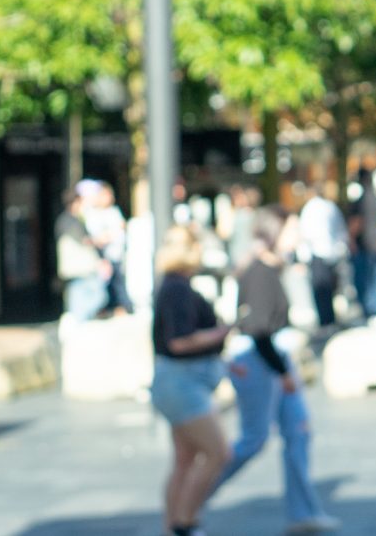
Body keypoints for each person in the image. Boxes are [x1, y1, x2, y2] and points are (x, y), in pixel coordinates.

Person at [212, 206, 340, 534]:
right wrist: (283, 372)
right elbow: (256, 330)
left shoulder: (274, 268)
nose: (298, 236)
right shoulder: (258, 272)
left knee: (298, 431)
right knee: (254, 439)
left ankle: (303, 512)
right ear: (275, 232)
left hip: (274, 358)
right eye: (292, 229)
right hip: (261, 360)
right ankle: (197, 492)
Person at [150, 224, 232, 536]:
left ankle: (174, 524)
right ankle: (185, 521)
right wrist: (219, 334)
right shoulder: (177, 289)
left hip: (178, 381)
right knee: (218, 452)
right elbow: (179, 341)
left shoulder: (172, 286)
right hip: (181, 383)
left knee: (185, 459)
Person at [55, 186, 110, 325]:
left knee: (84, 300)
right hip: (79, 268)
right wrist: (100, 240)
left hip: (81, 268)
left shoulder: (73, 219)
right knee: (92, 299)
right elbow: (83, 241)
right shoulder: (69, 221)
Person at [299, 182, 348, 331]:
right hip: (331, 253)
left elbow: (305, 233)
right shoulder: (330, 207)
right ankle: (330, 320)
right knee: (330, 289)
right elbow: (340, 229)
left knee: (320, 291)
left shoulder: (310, 208)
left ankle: (325, 321)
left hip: (317, 254)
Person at [82, 179, 133, 316]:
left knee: (118, 282)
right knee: (104, 285)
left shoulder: (114, 212)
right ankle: (105, 309)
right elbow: (96, 237)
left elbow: (121, 230)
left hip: (117, 254)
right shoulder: (92, 213)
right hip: (102, 256)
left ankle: (121, 307)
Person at [348, 168, 376, 328]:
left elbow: (357, 223)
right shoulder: (375, 197)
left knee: (366, 280)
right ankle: (375, 311)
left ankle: (372, 311)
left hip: (366, 245)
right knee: (374, 278)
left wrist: (351, 240)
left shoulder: (362, 199)